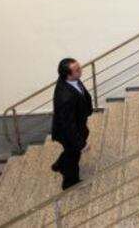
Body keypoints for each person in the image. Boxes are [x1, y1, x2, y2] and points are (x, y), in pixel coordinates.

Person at [51, 58, 93, 190]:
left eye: (79, 67)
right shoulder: (65, 97)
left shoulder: (71, 79)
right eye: (77, 70)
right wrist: (81, 144)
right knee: (73, 156)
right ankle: (70, 182)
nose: (81, 70)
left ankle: (58, 164)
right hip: (67, 133)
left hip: (77, 124)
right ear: (68, 75)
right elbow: (68, 125)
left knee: (70, 152)